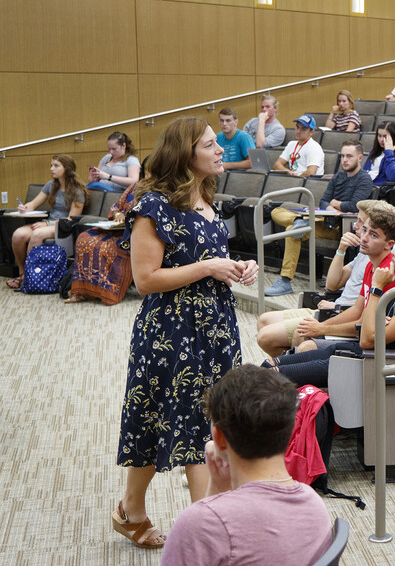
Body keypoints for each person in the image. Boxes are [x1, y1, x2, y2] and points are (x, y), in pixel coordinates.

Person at [112, 117, 259, 549]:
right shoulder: (153, 206)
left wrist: (236, 268)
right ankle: (210, 537)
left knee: (181, 421)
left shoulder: (209, 198)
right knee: (189, 426)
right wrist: (209, 267)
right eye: (211, 145)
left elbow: (211, 262)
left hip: (214, 327)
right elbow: (146, 280)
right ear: (186, 154)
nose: (221, 151)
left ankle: (129, 511)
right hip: (170, 331)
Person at [160, 365, 332, 565]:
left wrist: (208, 506)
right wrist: (217, 491)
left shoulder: (197, 525)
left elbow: (215, 532)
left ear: (219, 438)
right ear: (292, 427)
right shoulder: (313, 504)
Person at [265, 220, 395, 389]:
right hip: (353, 355)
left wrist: (377, 288)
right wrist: (378, 321)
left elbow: (366, 339)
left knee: (268, 378)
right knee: (268, 366)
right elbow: (370, 327)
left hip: (366, 366)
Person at [255, 200, 395, 357]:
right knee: (264, 321)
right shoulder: (368, 259)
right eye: (363, 229)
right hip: (338, 311)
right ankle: (287, 368)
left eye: (371, 232)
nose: (356, 229)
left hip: (342, 314)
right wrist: (341, 249)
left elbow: (364, 319)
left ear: (388, 243)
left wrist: (322, 327)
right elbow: (332, 285)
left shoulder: (385, 270)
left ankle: (288, 369)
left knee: (294, 337)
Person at [264, 141, 372, 297]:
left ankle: (285, 279)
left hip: (340, 227)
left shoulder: (364, 179)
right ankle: (299, 222)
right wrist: (331, 207)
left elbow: (355, 205)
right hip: (323, 220)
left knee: (292, 230)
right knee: (276, 211)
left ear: (360, 157)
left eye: (349, 156)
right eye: (342, 156)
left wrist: (334, 204)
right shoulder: (338, 177)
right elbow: (323, 201)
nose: (345, 160)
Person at [67, 162, 145, 305]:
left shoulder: (158, 192)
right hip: (117, 229)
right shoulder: (134, 187)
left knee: (104, 248)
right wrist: (118, 215)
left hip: (134, 234)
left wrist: (128, 219)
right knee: (85, 238)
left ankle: (108, 291)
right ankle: (83, 292)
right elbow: (116, 207)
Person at [7, 154, 87, 290]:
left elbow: (70, 220)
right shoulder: (51, 185)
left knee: (37, 234)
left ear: (67, 168)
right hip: (48, 223)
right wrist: (25, 208)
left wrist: (48, 224)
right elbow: (33, 204)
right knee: (18, 235)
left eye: (56, 166)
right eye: (51, 165)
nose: (51, 169)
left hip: (63, 227)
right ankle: (22, 273)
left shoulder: (77, 191)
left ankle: (28, 277)